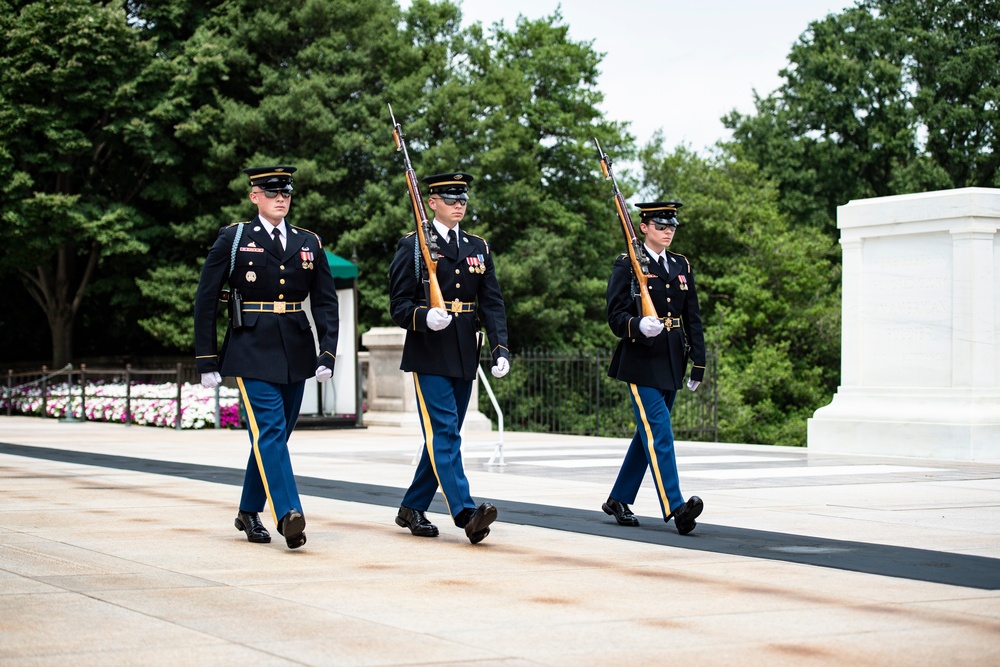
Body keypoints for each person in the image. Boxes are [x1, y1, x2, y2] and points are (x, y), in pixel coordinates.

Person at [194, 166, 340, 550]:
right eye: (271, 192)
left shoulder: (308, 241)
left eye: (286, 192)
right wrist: (207, 358)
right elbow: (207, 299)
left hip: (295, 348)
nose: (281, 198)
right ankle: (289, 514)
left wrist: (327, 351)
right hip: (250, 348)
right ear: (254, 196)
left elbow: (325, 301)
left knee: (272, 437)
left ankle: (247, 510)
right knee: (271, 432)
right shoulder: (235, 237)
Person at [388, 172, 511, 544]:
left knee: (445, 435)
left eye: (463, 198)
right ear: (431, 202)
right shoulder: (412, 246)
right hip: (428, 351)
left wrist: (500, 346)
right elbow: (398, 305)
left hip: (462, 350)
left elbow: (491, 302)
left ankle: (412, 507)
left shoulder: (478, 247)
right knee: (443, 431)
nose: (459, 203)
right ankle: (465, 511)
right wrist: (423, 316)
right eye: (451, 197)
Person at [602, 201, 706, 535]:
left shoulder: (681, 264)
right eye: (661, 225)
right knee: (659, 430)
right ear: (644, 227)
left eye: (672, 225)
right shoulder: (628, 264)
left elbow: (692, 316)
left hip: (672, 358)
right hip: (640, 360)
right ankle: (676, 507)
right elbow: (615, 316)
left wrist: (699, 361)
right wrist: (637, 325)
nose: (668, 230)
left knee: (646, 434)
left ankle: (618, 498)